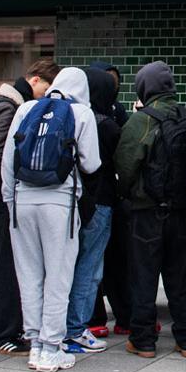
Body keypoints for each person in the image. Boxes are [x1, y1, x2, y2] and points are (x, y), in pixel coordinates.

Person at [1, 67, 100, 372]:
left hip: (22, 201)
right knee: (58, 278)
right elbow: (91, 163)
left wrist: (10, 200)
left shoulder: (27, 109)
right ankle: (52, 347)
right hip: (60, 203)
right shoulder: (82, 113)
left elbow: (8, 159)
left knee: (29, 275)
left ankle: (34, 344)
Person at [115, 61, 186, 359]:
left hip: (146, 211)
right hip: (179, 211)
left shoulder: (141, 121)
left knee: (144, 276)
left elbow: (126, 165)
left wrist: (127, 194)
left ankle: (143, 340)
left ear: (144, 88)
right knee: (180, 277)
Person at [0, 59, 59, 355]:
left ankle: (11, 330)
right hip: (5, 199)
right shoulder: (12, 108)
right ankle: (2, 334)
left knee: (14, 266)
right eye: (47, 87)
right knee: (7, 267)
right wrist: (21, 169)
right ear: (35, 80)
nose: (47, 95)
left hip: (6, 197)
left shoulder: (11, 104)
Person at [62, 69, 121, 354]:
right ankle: (75, 329)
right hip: (100, 202)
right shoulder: (106, 125)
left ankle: (58, 326)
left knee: (65, 265)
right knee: (89, 267)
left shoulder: (69, 117)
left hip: (68, 200)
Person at [88, 60, 132, 337]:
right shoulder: (97, 120)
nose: (112, 87)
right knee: (92, 261)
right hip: (99, 198)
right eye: (107, 82)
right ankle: (94, 318)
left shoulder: (116, 111)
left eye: (115, 82)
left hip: (112, 198)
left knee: (116, 258)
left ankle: (123, 314)